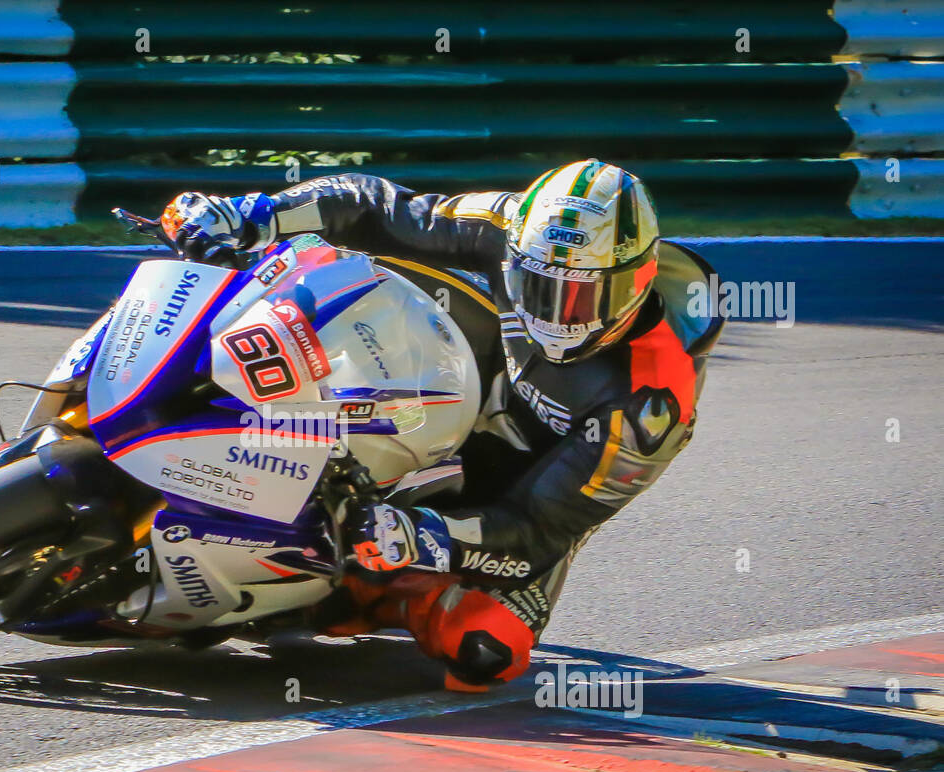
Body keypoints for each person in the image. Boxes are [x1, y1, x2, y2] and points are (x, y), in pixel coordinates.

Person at [159, 160, 724, 691]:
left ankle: (354, 591)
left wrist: (424, 538)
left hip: (522, 489)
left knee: (483, 651)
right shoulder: (511, 227)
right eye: (539, 286)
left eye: (580, 296)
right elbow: (378, 207)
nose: (555, 314)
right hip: (461, 381)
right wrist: (253, 214)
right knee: (339, 283)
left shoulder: (652, 406)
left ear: (636, 282)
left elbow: (538, 529)